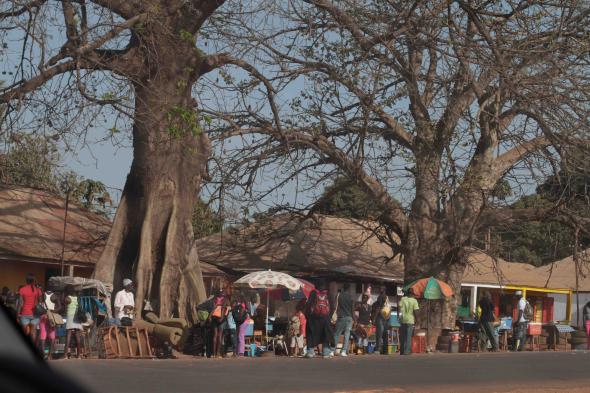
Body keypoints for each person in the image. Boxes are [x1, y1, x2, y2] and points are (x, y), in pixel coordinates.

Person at [304, 280, 333, 358]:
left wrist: (307, 316)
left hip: (313, 318)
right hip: (325, 318)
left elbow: (308, 305)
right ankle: (326, 352)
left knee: (310, 333)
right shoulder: (328, 294)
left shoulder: (313, 293)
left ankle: (310, 352)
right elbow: (332, 307)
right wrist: (329, 317)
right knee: (325, 334)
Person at [17, 274, 43, 343]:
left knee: (25, 332)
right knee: (33, 332)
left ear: (26, 280)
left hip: (25, 313)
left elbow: (20, 303)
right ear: (34, 280)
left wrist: (17, 314)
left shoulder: (22, 289)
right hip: (35, 314)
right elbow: (40, 302)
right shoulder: (38, 290)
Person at [39, 288, 63, 360]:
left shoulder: (42, 295)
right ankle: (49, 355)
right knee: (52, 336)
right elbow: (60, 307)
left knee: (43, 335)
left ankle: (43, 354)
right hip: (51, 316)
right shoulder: (54, 296)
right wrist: (54, 310)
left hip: (43, 316)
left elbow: (39, 304)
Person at [332, 283, 354, 357]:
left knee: (337, 334)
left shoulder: (339, 295)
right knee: (347, 335)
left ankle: (332, 350)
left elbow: (334, 306)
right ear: (349, 289)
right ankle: (343, 351)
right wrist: (354, 319)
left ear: (343, 288)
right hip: (349, 318)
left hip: (341, 317)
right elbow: (352, 309)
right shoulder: (351, 297)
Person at [64, 285, 84, 359]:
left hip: (70, 316)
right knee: (77, 336)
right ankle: (78, 355)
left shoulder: (67, 298)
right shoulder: (77, 298)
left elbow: (65, 308)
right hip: (77, 317)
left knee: (68, 335)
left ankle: (65, 355)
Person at [398, 288, 419, 355]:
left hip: (403, 320)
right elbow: (415, 311)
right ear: (412, 294)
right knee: (408, 336)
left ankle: (402, 351)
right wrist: (417, 320)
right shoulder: (414, 301)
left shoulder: (403, 299)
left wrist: (399, 316)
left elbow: (399, 308)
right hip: (410, 320)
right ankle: (407, 351)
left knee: (402, 336)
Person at [210, 292, 229, 358]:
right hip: (221, 319)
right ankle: (218, 353)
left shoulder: (215, 299)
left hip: (214, 317)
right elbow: (226, 309)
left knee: (215, 335)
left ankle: (213, 353)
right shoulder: (225, 300)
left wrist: (210, 316)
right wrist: (222, 317)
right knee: (220, 335)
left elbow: (212, 308)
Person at [372, 287, 390, 355]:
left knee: (379, 334)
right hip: (386, 317)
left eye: (381, 289)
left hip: (380, 317)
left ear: (383, 290)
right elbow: (389, 308)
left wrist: (374, 318)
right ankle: (385, 350)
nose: (379, 290)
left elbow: (378, 308)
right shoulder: (387, 297)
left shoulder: (380, 297)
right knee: (385, 334)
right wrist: (388, 316)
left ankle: (378, 349)